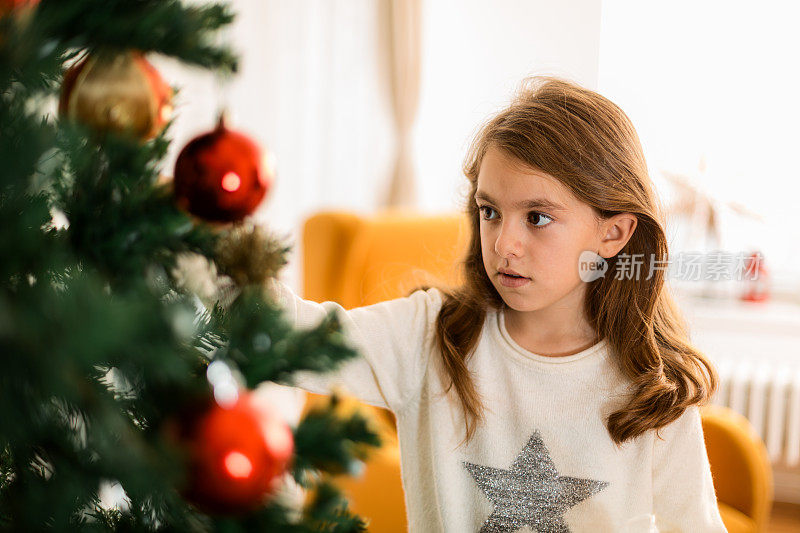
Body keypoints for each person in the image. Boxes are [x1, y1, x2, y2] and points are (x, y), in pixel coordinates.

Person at [267, 76, 727, 532]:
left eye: (538, 217)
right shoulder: (427, 336)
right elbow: (285, 333)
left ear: (613, 234)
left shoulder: (654, 391)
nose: (504, 243)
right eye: (490, 212)